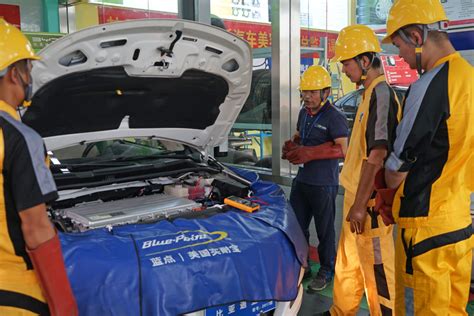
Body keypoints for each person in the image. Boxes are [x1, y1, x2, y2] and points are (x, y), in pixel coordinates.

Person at [376, 0, 474, 314]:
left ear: (417, 37)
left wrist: (386, 193)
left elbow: (398, 165)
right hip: (460, 224)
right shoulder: (469, 77)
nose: (401, 57)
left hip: (424, 228)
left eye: (400, 46)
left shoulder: (429, 84)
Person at [0, 19, 78, 315]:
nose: (29, 76)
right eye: (27, 69)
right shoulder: (19, 137)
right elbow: (36, 228)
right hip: (13, 292)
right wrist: (64, 306)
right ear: (13, 73)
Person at [329, 25, 401, 315]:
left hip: (369, 203)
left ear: (365, 60)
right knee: (348, 264)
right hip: (355, 196)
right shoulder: (366, 94)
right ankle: (340, 311)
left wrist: (360, 206)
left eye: (346, 63)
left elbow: (378, 153)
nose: (344, 70)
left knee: (378, 273)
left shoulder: (381, 93)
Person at [282, 65, 348, 291]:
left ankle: (327, 271)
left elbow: (343, 150)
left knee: (325, 230)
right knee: (297, 226)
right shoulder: (304, 113)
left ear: (326, 92)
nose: (307, 96)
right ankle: (303, 265)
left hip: (324, 184)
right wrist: (293, 146)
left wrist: (311, 153)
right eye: (304, 91)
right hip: (302, 181)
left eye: (312, 92)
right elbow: (300, 136)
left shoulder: (334, 117)